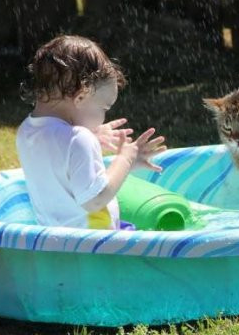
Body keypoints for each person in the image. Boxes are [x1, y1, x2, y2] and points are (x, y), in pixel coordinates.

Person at [16, 35, 166, 229]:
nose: (104, 117)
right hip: (95, 241)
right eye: (104, 108)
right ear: (80, 98)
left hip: (54, 240)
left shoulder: (26, 131)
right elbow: (95, 200)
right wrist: (126, 159)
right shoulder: (79, 140)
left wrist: (91, 137)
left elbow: (59, 165)